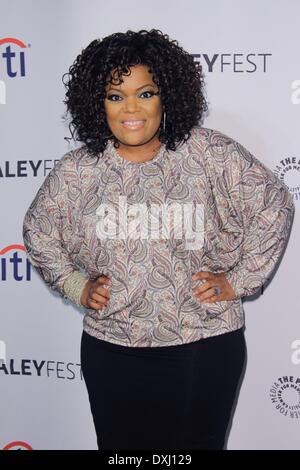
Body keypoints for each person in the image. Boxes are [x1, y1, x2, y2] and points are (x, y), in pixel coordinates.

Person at [22, 29, 295, 450]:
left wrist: (238, 281)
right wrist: (77, 285)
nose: (131, 108)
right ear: (98, 103)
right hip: (113, 348)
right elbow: (39, 231)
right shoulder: (78, 171)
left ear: (167, 95)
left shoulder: (207, 152)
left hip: (203, 345)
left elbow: (274, 204)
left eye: (145, 93)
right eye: (115, 96)